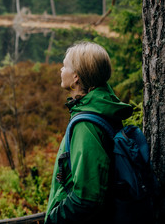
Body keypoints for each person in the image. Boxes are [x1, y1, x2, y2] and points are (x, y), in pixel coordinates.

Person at [45, 42, 133, 224]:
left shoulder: (86, 125)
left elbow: (87, 198)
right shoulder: (102, 107)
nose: (61, 69)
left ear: (76, 77)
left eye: (65, 65)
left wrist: (53, 219)